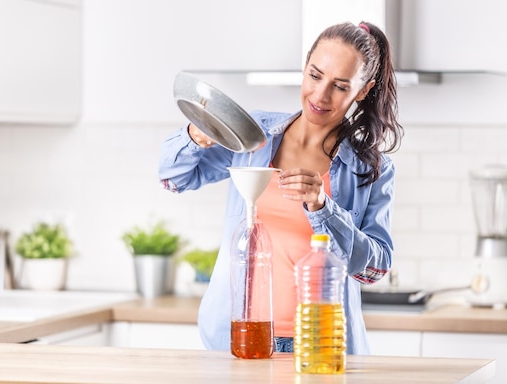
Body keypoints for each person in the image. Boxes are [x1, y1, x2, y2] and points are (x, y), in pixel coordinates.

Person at [158, 21, 403, 354]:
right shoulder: (253, 134)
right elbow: (173, 179)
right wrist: (196, 134)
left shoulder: (371, 168)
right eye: (315, 76)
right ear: (304, 68)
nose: (320, 95)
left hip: (320, 347)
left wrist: (323, 207)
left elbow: (375, 268)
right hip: (238, 339)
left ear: (362, 90)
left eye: (340, 86)